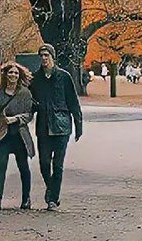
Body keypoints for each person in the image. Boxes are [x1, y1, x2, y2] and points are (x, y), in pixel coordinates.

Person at [30, 43, 84, 211]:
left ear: (52, 57)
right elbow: (30, 102)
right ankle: (51, 189)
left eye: (47, 55)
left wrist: (78, 124)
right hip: (43, 125)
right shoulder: (35, 79)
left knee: (58, 165)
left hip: (61, 126)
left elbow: (73, 102)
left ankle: (53, 199)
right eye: (41, 55)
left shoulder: (64, 77)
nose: (44, 58)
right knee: (44, 163)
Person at [0, 62, 35, 211]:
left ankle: (26, 199)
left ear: (19, 75)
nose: (13, 75)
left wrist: (15, 119)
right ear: (5, 75)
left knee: (23, 166)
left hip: (20, 134)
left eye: (16, 73)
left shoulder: (24, 93)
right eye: (10, 73)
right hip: (3, 134)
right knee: (1, 165)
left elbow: (29, 115)